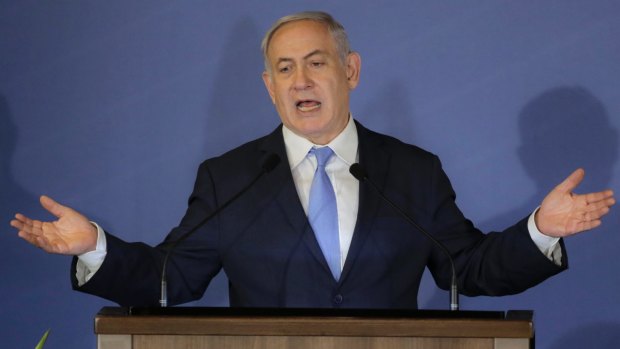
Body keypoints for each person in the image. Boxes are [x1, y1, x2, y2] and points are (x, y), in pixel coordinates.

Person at [10, 11, 615, 309]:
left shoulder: (412, 170)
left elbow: (469, 269)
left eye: (317, 62)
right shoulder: (231, 178)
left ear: (349, 71)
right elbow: (173, 278)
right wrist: (95, 245)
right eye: (284, 68)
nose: (301, 79)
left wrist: (540, 230)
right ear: (269, 87)